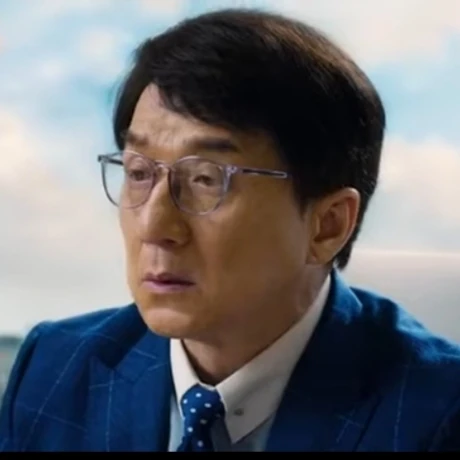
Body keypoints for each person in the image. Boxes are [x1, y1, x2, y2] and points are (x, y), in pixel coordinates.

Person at [1, 8, 459, 453]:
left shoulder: (438, 416)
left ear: (328, 225)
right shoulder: (55, 367)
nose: (154, 226)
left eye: (206, 179)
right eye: (139, 173)